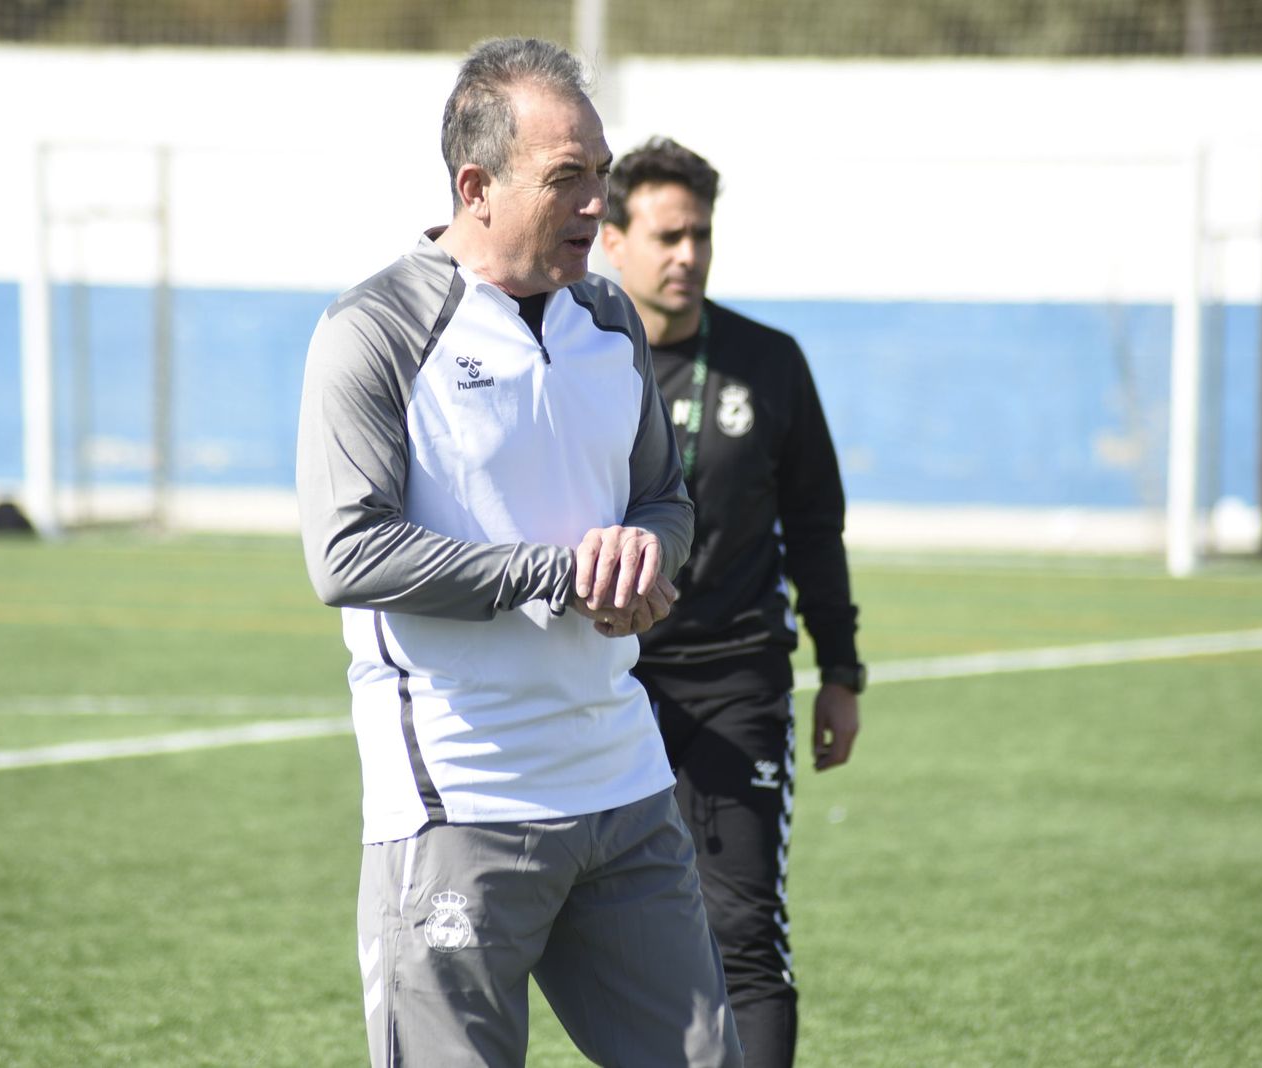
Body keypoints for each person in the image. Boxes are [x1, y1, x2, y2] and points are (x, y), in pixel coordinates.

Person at [295, 40, 744, 1068]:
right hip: (459, 799)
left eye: (602, 173)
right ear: (476, 186)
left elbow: (661, 497)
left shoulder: (608, 319)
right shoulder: (371, 332)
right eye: (569, 178)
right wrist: (556, 575)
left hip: (623, 787)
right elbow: (346, 553)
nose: (600, 203)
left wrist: (642, 557)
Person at [601, 137, 867, 1068]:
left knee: (743, 933)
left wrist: (840, 671)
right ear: (612, 238)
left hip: (737, 686)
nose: (688, 255)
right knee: (600, 940)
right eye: (668, 235)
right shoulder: (576, 359)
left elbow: (816, 526)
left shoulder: (770, 363)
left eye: (700, 235)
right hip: (603, 687)